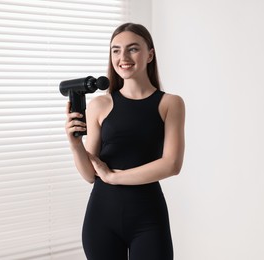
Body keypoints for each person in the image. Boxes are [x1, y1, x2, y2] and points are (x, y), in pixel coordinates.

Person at [65, 22, 185, 260]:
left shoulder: (170, 103)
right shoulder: (100, 105)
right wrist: (75, 145)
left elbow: (171, 165)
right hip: (101, 218)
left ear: (150, 54)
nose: (123, 57)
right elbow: (90, 175)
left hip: (148, 219)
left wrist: (113, 177)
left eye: (133, 49)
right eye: (116, 50)